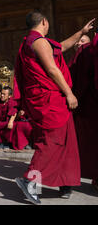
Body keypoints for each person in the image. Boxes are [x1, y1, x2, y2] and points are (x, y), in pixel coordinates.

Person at [14, 11, 94, 204]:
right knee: (52, 140)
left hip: (50, 99)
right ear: (44, 22)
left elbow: (63, 46)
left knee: (67, 141)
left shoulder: (36, 41)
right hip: (50, 99)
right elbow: (52, 69)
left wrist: (81, 31)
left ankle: (64, 181)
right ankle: (29, 180)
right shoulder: (38, 42)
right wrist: (69, 93)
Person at [70, 31, 98, 191]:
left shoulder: (86, 52)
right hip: (89, 107)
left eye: (83, 41)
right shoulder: (80, 57)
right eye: (78, 41)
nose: (79, 44)